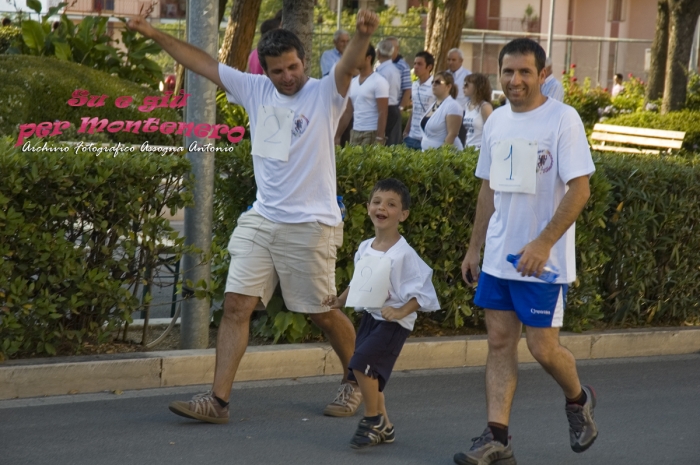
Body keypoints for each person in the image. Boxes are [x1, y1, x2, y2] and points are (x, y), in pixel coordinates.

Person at [127, 9, 382, 424]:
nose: (287, 77)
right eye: (278, 70)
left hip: (311, 223)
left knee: (321, 312)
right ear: (264, 70)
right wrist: (152, 32)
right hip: (262, 218)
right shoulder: (253, 89)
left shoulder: (324, 93)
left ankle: (355, 379)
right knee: (235, 306)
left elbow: (350, 64)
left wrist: (361, 33)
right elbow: (201, 62)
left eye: (293, 67)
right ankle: (218, 401)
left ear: (304, 60)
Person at [455, 38, 597, 465]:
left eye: (524, 72)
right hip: (500, 257)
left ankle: (579, 399)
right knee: (499, 342)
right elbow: (489, 187)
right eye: (508, 72)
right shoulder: (496, 121)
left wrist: (543, 242)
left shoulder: (562, 120)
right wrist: (474, 247)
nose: (515, 80)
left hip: (544, 262)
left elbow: (581, 188)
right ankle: (497, 437)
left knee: (542, 349)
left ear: (542, 73)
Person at [322, 178, 440, 449]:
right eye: (376, 202)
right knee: (369, 373)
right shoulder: (365, 247)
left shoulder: (404, 254)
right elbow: (359, 280)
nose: (381, 208)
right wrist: (339, 300)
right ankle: (384, 426)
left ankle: (372, 418)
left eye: (391, 204)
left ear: (403, 214)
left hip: (392, 325)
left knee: (360, 363)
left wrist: (400, 312)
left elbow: (421, 293)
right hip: (370, 319)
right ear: (368, 208)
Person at [336, 44, 389, 146]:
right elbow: (348, 111)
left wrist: (379, 138)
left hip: (371, 132)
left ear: (368, 58)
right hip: (355, 131)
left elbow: (383, 112)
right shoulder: (353, 82)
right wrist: (337, 135)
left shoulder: (379, 81)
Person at [420, 71, 464, 151]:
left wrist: (440, 156)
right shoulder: (434, 104)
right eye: (432, 82)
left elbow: (452, 134)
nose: (434, 84)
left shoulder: (453, 106)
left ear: (448, 86)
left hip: (441, 158)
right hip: (427, 156)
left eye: (438, 82)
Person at [403, 51, 435, 150]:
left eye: (420, 64)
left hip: (427, 139)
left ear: (429, 67)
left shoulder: (435, 86)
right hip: (411, 137)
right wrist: (406, 132)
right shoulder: (414, 85)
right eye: (415, 63)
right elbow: (415, 109)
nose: (416, 67)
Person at [374, 39, 402, 146]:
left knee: (384, 143)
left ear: (378, 53)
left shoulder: (383, 72)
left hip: (386, 109)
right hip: (393, 107)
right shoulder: (394, 69)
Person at [462, 73, 493, 149]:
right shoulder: (467, 105)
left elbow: (491, 132)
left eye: (466, 84)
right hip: (468, 149)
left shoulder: (485, 107)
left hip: (480, 149)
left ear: (477, 87)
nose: (463, 87)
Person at [386, 36, 412, 112]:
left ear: (397, 49)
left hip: (394, 108)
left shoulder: (403, 66)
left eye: (391, 47)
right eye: (387, 47)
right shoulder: (379, 64)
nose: (389, 50)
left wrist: (400, 109)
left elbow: (407, 89)